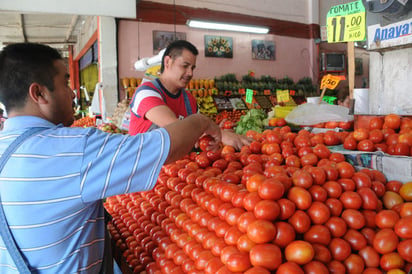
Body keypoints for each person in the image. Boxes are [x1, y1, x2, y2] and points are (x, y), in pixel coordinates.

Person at [0, 43, 221, 273]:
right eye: (66, 83)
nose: (73, 93)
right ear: (39, 93)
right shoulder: (74, 148)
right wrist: (200, 121)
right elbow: (162, 148)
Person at [129, 40, 252, 150]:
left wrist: (211, 137)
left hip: (174, 170)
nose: (190, 73)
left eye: (192, 68)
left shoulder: (190, 101)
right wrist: (219, 133)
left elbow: (195, 139)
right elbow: (174, 126)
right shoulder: (146, 93)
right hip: (144, 171)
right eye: (185, 66)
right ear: (167, 62)